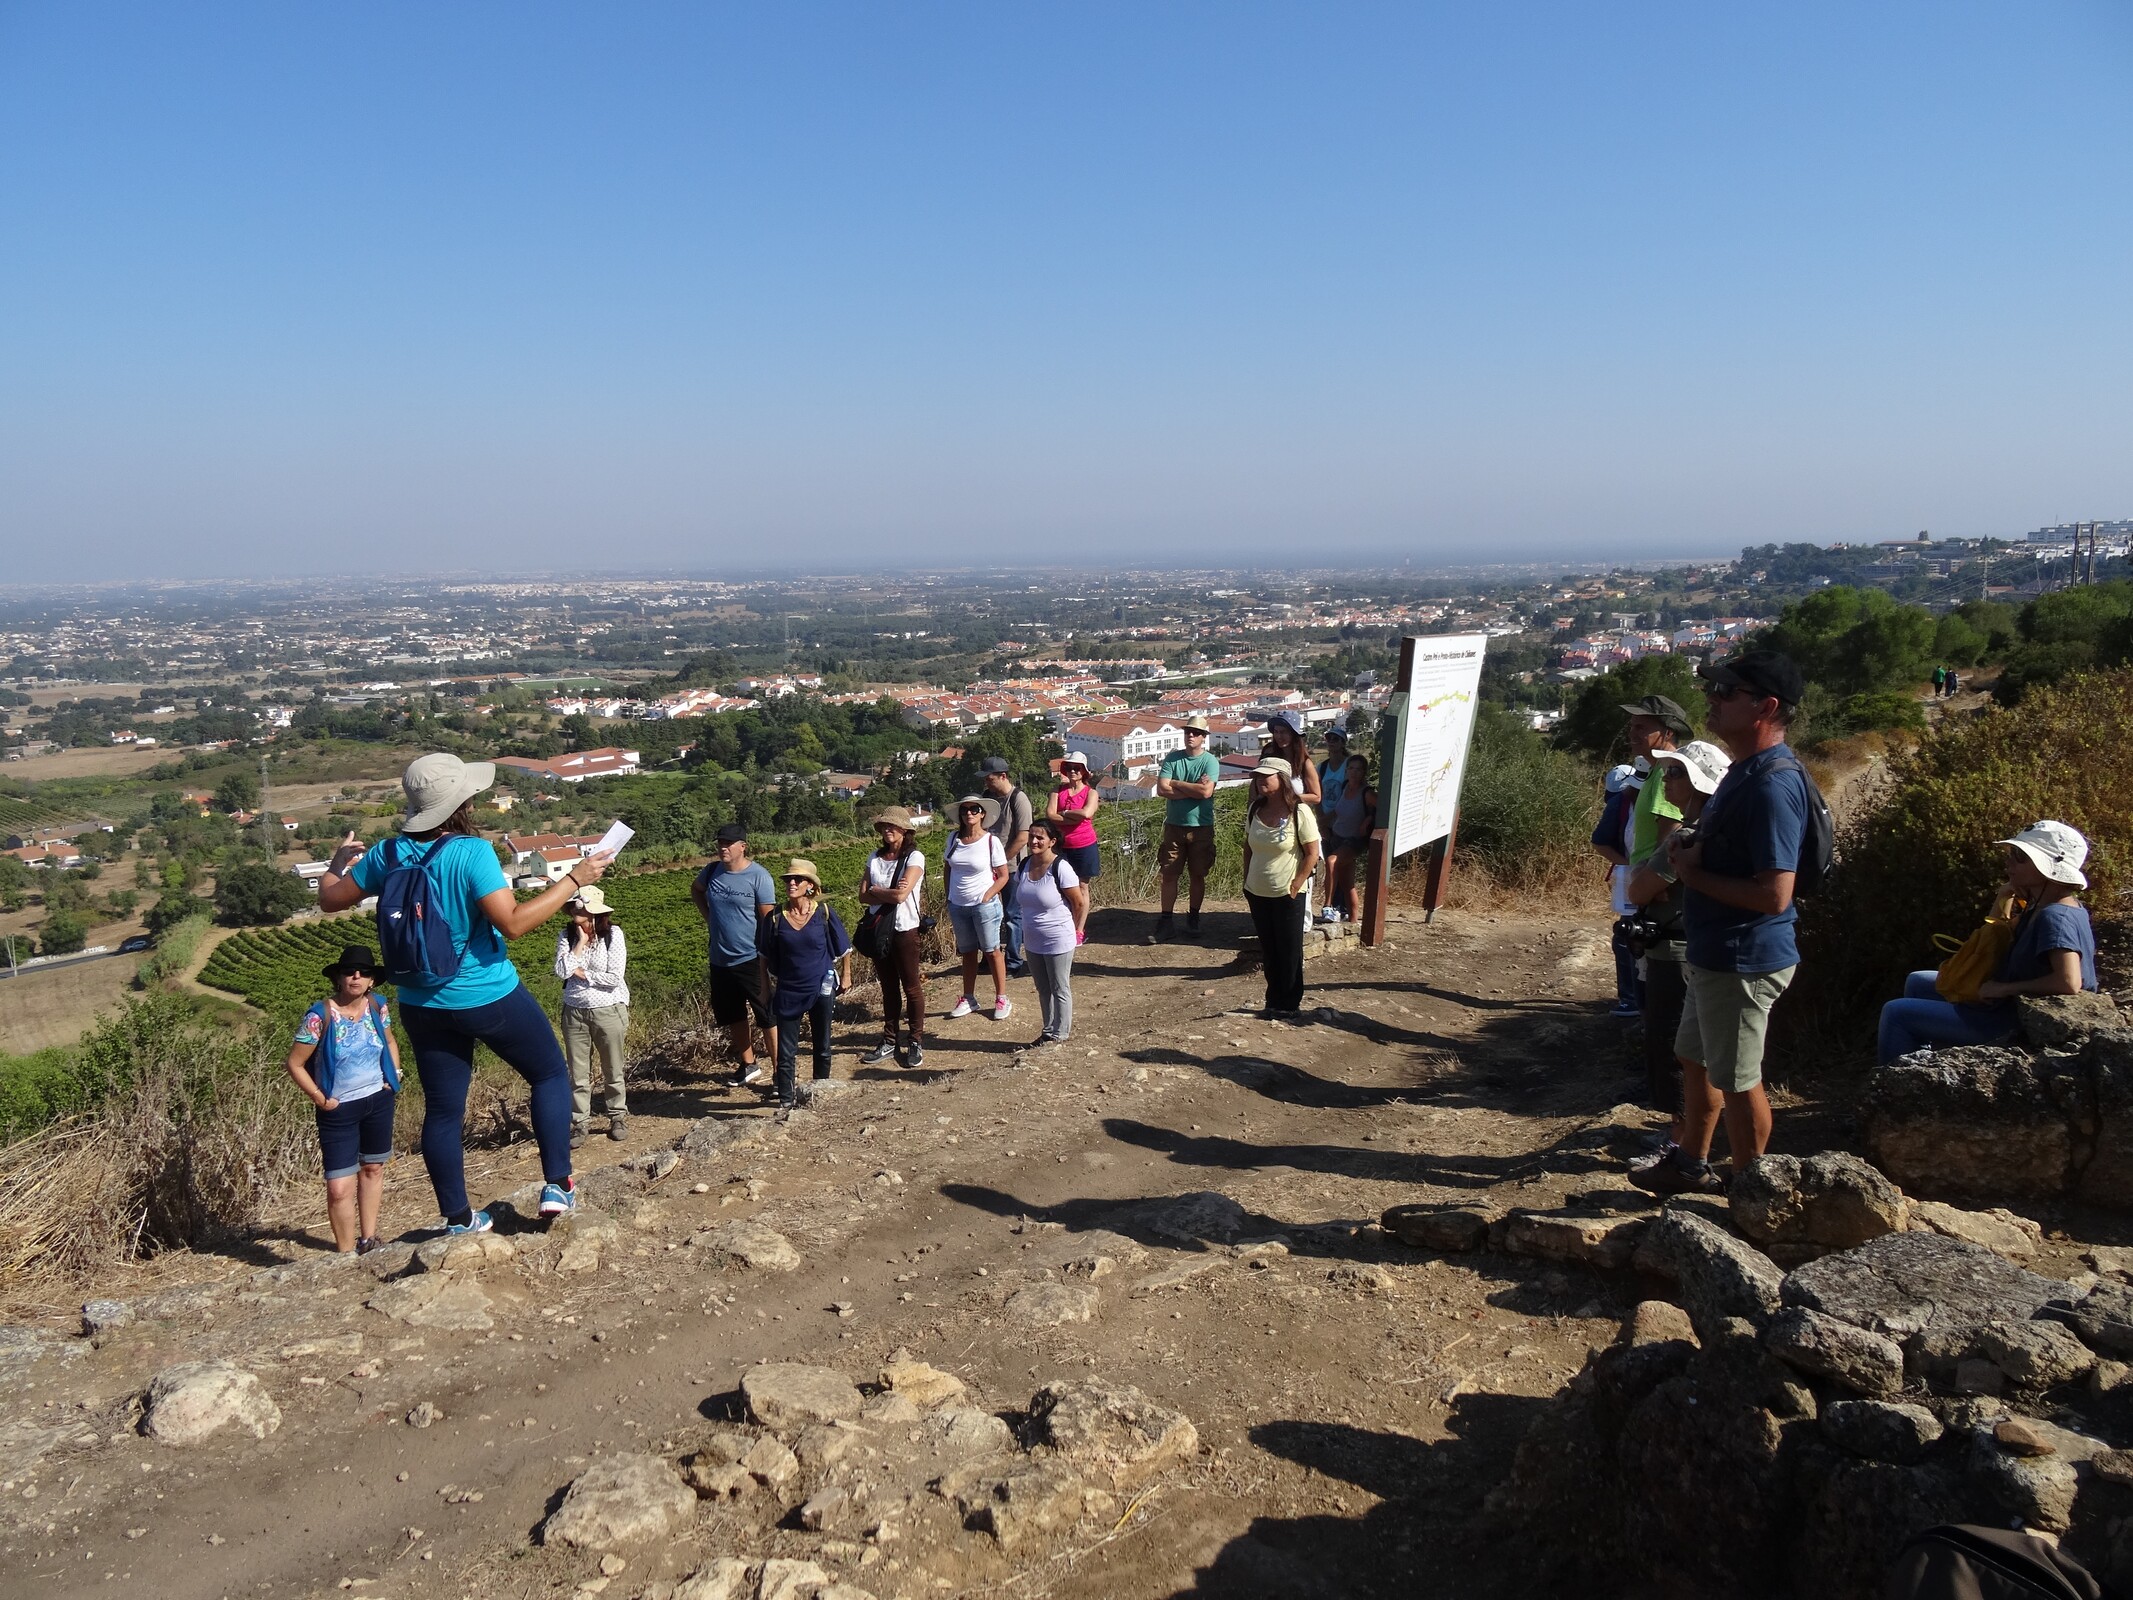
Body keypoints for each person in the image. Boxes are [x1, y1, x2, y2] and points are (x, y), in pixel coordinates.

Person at [319, 752, 611, 1232]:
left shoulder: (386, 854)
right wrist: (575, 880)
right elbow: (513, 924)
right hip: (485, 993)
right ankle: (558, 1185)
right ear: (461, 802)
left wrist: (335, 863)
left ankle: (458, 1217)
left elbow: (329, 898)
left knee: (443, 1109)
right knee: (549, 1073)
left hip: (419, 1003)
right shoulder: (470, 853)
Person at [1634, 651, 1812, 1198]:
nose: (1712, 699)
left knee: (1738, 1079)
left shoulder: (1771, 785)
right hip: (1717, 952)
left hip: (1743, 956)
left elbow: (1774, 895)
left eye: (1728, 692)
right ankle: (1690, 1161)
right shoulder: (1746, 772)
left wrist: (1689, 872)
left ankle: (1750, 1191)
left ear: (1767, 706)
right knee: (1695, 1056)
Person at [1877, 821, 2098, 1064]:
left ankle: (1903, 1090)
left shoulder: (2054, 916)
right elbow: (1996, 935)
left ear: (2047, 868)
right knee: (1918, 981)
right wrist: (2005, 895)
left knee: (1896, 1013)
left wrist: (2002, 989)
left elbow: (2068, 981)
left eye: (2020, 856)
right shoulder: (2043, 906)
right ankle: (1924, 1062)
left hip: (2007, 1021)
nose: (2009, 862)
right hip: (2003, 1008)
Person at [1622, 741, 1731, 1169]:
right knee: (1681, 1047)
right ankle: (1682, 1134)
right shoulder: (1711, 830)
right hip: (1687, 947)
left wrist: (1650, 877)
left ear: (1698, 784)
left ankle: (1680, 1141)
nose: (1665, 780)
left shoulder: (1688, 837)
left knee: (1673, 1046)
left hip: (1677, 952)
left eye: (1675, 774)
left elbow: (1638, 888)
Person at [284, 944, 402, 1254]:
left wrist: (395, 1076)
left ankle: (369, 1238)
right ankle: (346, 1254)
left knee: (373, 1169)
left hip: (378, 1100)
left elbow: (389, 1041)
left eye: (364, 972)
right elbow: (294, 1063)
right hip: (338, 1110)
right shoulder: (319, 1016)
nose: (356, 976)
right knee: (338, 1188)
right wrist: (320, 1098)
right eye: (350, 971)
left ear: (372, 980)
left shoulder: (378, 1006)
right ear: (339, 977)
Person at [759, 858, 852, 1114]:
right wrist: (765, 989)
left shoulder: (823, 913)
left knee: (822, 1045)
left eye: (797, 879)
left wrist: (846, 976)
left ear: (810, 885)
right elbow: (763, 956)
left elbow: (844, 948)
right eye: (789, 879)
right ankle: (786, 1102)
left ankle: (820, 1093)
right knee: (787, 1051)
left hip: (822, 985)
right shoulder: (776, 917)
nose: (791, 883)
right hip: (789, 990)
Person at [692, 824, 778, 1088]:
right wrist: (709, 918)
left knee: (766, 1014)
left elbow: (768, 919)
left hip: (751, 958)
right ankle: (749, 1063)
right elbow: (696, 890)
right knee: (734, 1014)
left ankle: (780, 1070)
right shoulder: (711, 872)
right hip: (720, 959)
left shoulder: (758, 876)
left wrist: (769, 956)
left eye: (728, 843)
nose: (723, 848)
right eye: (720, 843)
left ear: (743, 846)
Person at [1241, 756, 1322, 1018]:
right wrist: (1246, 880)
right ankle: (1272, 1000)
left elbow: (1312, 852)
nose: (1261, 780)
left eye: (1267, 776)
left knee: (1289, 950)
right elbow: (1248, 847)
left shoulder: (1299, 812)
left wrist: (1297, 884)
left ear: (1282, 780)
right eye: (1259, 776)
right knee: (1270, 948)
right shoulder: (1255, 810)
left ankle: (1289, 1004)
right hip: (1257, 891)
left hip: (1287, 893)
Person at [555, 884, 630, 1146]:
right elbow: (562, 970)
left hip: (608, 1010)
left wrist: (582, 973)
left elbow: (613, 979)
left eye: (582, 908)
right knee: (577, 1073)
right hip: (574, 1012)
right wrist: (581, 944)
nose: (576, 912)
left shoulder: (614, 935)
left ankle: (617, 1116)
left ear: (594, 913)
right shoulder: (567, 935)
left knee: (613, 1068)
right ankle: (579, 1124)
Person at [858, 806, 929, 1069]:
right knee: (888, 988)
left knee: (911, 987)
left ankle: (915, 1040)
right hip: (879, 929)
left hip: (905, 927)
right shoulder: (874, 858)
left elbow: (900, 896)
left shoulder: (915, 857)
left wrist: (877, 890)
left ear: (904, 830)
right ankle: (889, 1040)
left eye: (893, 826)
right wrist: (884, 891)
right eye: (885, 826)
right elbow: (862, 896)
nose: (888, 830)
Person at [1017, 817, 1088, 1044]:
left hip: (1058, 937)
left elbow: (1078, 902)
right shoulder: (1024, 865)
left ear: (1052, 841)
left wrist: (1076, 929)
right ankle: (1048, 1031)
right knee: (1043, 988)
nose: (1034, 841)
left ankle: (1061, 1034)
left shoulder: (1061, 867)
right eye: (1031, 837)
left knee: (1059, 986)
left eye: (1040, 837)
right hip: (1033, 939)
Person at [943, 793, 1012, 1021]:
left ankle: (1001, 997)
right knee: (968, 952)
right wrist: (949, 896)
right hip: (958, 905)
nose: (969, 813)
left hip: (983, 906)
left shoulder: (990, 841)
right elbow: (948, 868)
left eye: (974, 810)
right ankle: (968, 997)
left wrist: (987, 895)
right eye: (965, 810)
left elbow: (1003, 876)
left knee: (992, 951)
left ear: (983, 814)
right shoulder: (953, 839)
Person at [1152, 715, 1221, 942]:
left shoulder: (1210, 761)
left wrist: (1177, 783)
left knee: (1197, 874)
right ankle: (1166, 920)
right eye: (1188, 732)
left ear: (1203, 737)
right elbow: (1162, 789)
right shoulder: (1173, 758)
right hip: (1174, 825)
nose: (1190, 736)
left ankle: (1193, 917)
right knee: (1169, 874)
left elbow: (1206, 793)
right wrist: (1193, 788)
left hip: (1201, 826)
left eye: (1196, 733)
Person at [1594, 763, 1644, 1017]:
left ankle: (1632, 999)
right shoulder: (1645, 798)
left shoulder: (1618, 804)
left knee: (1627, 936)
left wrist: (1628, 865)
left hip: (1635, 877)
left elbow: (1600, 841)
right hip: (1647, 874)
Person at [980, 757, 1033, 978]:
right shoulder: (987, 798)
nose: (987, 783)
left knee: (1012, 915)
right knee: (987, 914)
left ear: (1003, 776)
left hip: (1011, 867)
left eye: (990, 779)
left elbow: (1023, 837)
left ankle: (1013, 962)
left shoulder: (1018, 799)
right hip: (988, 867)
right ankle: (990, 957)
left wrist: (1000, 863)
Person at [1321, 751, 1377, 926]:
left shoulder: (1366, 793)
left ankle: (1328, 906)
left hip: (1353, 841)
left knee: (1331, 862)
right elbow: (1338, 811)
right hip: (1337, 836)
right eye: (1351, 768)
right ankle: (1353, 923)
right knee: (1347, 883)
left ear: (1364, 773)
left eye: (1358, 769)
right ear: (1346, 771)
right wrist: (1320, 823)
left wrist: (1368, 819)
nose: (1354, 772)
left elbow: (1383, 808)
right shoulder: (1345, 787)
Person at [1048, 753, 1101, 891]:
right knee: (1061, 884)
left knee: (1082, 885)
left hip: (1084, 845)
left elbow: (1086, 813)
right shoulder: (1057, 791)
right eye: (1069, 767)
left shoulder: (1091, 793)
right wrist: (1076, 818)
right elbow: (1050, 815)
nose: (1072, 771)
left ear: (1083, 771)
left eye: (1077, 768)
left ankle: (1081, 914)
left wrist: (1064, 813)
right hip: (1061, 845)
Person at [1261, 710, 1322, 807]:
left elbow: (1316, 797)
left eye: (1283, 732)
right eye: (1276, 732)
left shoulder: (1305, 764)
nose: (1279, 736)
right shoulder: (1268, 754)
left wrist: (1288, 798)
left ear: (1294, 734)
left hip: (1294, 817)